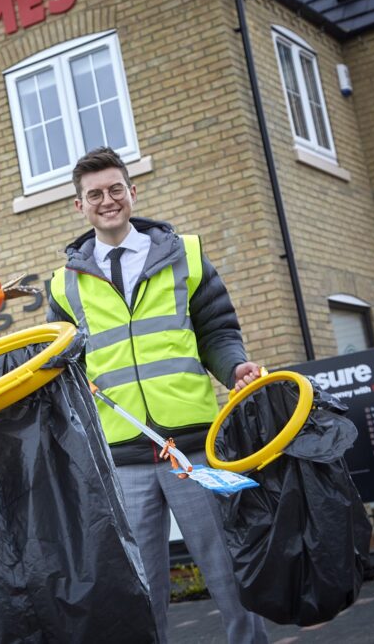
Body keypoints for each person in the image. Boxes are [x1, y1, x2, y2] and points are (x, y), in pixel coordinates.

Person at [47, 147, 267, 644]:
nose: (108, 200)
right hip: (123, 459)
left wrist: (235, 366)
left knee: (228, 574)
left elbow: (217, 329)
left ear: (132, 192)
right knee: (142, 591)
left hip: (192, 450)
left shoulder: (184, 255)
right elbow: (61, 368)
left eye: (115, 189)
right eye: (95, 194)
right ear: (79, 206)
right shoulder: (63, 285)